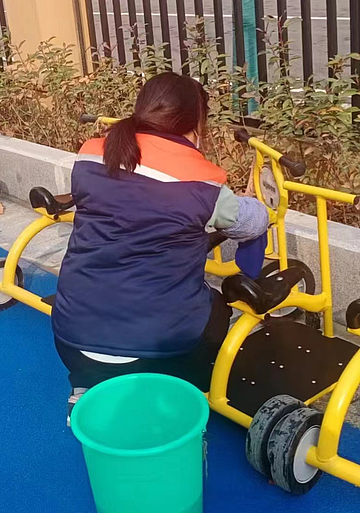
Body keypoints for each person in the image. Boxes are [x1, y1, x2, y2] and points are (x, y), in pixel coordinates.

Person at [52, 72, 269, 422]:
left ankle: (87, 388)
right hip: (158, 351)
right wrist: (258, 205)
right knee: (216, 306)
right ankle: (181, 391)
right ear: (196, 124)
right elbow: (252, 222)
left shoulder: (91, 155)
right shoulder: (202, 182)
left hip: (71, 337)